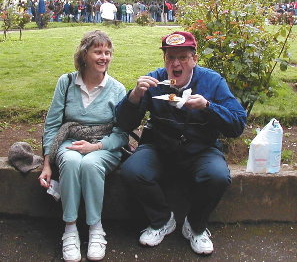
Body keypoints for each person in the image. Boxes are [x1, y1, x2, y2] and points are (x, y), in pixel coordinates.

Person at [116, 31, 247, 255]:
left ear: (194, 59)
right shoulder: (155, 80)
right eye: (170, 58)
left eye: (183, 57)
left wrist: (208, 106)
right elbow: (124, 122)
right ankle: (162, 220)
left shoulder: (212, 81)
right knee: (132, 170)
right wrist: (134, 96)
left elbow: (237, 124)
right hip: (160, 147)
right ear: (164, 60)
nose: (176, 64)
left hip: (201, 149)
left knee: (217, 176)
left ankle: (195, 226)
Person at [39, 30, 128, 262]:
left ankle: (96, 228)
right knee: (69, 161)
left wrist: (96, 147)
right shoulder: (66, 82)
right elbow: (52, 125)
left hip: (103, 145)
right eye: (98, 51)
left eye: (108, 52)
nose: (104, 57)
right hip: (69, 140)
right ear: (84, 54)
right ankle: (70, 229)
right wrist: (47, 163)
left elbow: (122, 134)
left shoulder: (117, 89)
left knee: (89, 165)